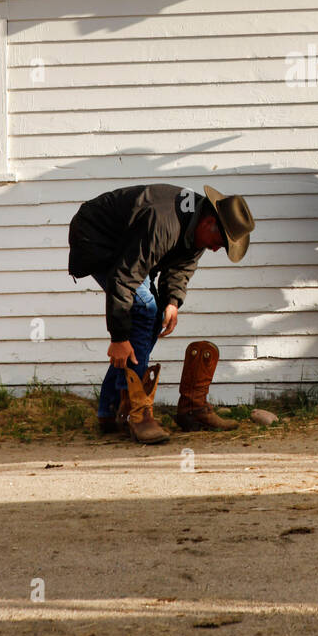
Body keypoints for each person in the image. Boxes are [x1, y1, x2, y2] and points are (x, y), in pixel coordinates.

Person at [67, 183, 255, 442]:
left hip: (129, 244)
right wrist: (119, 338)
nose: (215, 249)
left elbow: (182, 264)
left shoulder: (197, 221)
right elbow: (123, 278)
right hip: (98, 236)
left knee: (154, 315)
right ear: (209, 222)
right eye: (219, 242)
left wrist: (173, 302)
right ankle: (134, 411)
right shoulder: (164, 224)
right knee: (145, 310)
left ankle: (110, 411)